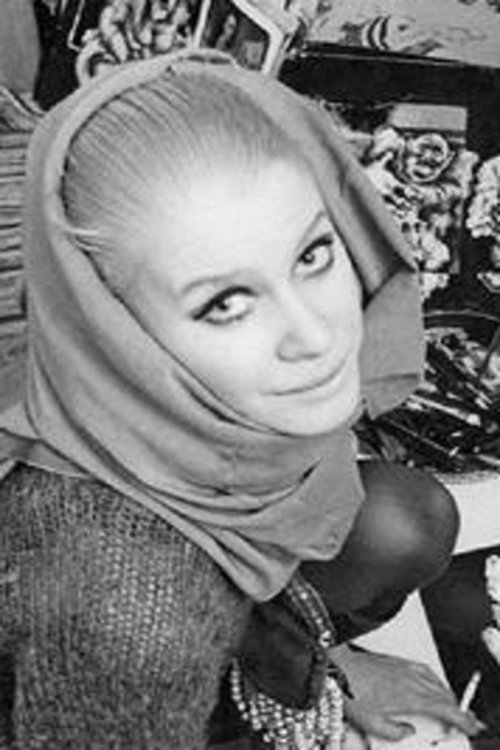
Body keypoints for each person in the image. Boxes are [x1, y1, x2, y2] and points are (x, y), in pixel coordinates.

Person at [0, 49, 484, 749]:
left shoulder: (175, 394)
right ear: (116, 332)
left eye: (311, 255)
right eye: (226, 303)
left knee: (403, 519)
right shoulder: (130, 609)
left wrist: (323, 664)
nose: (315, 335)